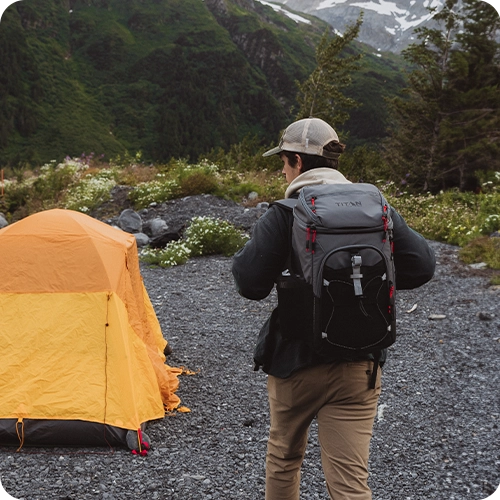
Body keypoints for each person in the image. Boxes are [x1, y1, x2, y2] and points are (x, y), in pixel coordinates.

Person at [231, 117, 436, 500]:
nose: (282, 168)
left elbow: (249, 283)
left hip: (296, 364)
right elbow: (423, 266)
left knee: (284, 458)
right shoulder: (377, 209)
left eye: (283, 161)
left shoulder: (285, 212)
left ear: (295, 160)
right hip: (360, 364)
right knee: (350, 482)